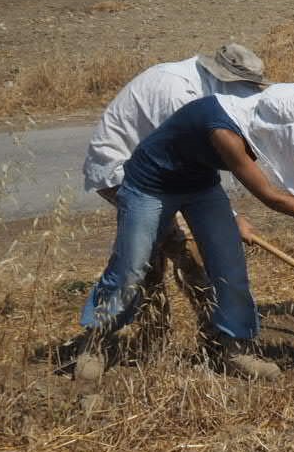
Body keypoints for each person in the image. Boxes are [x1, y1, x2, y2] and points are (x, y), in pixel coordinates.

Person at [76, 83, 294, 382]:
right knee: (132, 265)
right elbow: (271, 197)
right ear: (278, 128)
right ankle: (97, 341)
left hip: (199, 185)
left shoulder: (271, 110)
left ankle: (234, 350)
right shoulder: (225, 131)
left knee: (229, 265)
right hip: (150, 185)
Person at [81, 44, 268, 346]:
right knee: (169, 252)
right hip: (125, 171)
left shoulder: (210, 92)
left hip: (179, 176)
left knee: (171, 253)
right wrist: (233, 217)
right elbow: (178, 156)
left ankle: (192, 336)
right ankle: (109, 337)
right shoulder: (178, 92)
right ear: (223, 77)